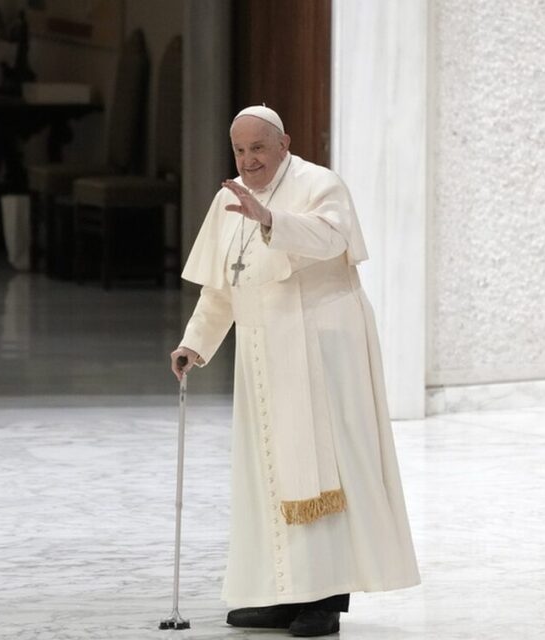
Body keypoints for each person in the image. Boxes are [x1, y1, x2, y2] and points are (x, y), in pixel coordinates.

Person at [170, 106, 420, 637]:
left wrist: (270, 221)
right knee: (269, 472)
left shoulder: (319, 184)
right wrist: (195, 343)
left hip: (321, 347)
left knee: (324, 468)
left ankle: (325, 599)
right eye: (239, 150)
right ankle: (285, 594)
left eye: (258, 148)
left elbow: (331, 239)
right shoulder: (229, 197)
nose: (248, 160)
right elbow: (223, 284)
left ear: (284, 143)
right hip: (262, 353)